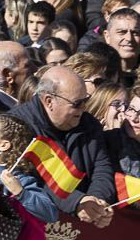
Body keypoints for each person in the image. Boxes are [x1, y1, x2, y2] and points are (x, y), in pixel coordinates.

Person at [11, 66, 117, 227]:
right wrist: (76, 202)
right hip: (31, 227)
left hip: (82, 228)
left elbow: (101, 166)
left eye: (85, 100)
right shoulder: (16, 126)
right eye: (77, 103)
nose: (83, 108)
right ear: (49, 101)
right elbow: (28, 179)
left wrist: (96, 202)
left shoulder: (89, 124)